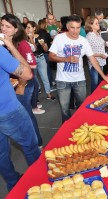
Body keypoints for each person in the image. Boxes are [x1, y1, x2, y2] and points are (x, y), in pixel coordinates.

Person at [49, 15, 108, 123]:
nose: (75, 31)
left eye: (78, 27)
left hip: (80, 80)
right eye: (72, 27)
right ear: (67, 27)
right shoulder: (59, 38)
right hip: (62, 80)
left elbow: (92, 59)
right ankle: (66, 129)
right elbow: (51, 56)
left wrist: (104, 76)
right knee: (64, 109)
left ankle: (80, 127)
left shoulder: (83, 41)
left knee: (82, 107)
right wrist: (66, 59)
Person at [0, 38, 40, 192]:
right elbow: (28, 73)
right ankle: (40, 182)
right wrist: (10, 46)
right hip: (7, 109)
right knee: (30, 146)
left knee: (1, 155)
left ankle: (14, 184)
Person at [1, 14, 43, 147]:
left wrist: (20, 85)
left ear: (16, 29)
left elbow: (31, 68)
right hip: (12, 87)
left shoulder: (22, 44)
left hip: (24, 85)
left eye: (8, 26)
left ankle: (38, 144)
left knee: (27, 115)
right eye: (2, 25)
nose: (4, 29)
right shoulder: (3, 44)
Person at [26, 21, 56, 101]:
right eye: (26, 27)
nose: (27, 29)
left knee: (45, 77)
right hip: (31, 60)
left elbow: (46, 50)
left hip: (41, 58)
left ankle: (48, 94)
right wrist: (30, 39)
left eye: (29, 27)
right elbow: (32, 49)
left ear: (34, 28)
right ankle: (37, 94)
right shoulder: (25, 39)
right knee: (34, 78)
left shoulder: (40, 37)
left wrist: (43, 45)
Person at [85, 16, 108, 93]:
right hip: (94, 62)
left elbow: (98, 45)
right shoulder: (89, 36)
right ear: (91, 25)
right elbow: (88, 52)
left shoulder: (97, 33)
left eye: (98, 23)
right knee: (95, 83)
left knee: (99, 82)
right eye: (96, 23)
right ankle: (93, 98)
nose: (98, 25)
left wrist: (105, 44)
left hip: (101, 61)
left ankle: (98, 96)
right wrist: (100, 55)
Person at [37, 19, 54, 90]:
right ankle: (50, 85)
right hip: (46, 53)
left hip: (39, 53)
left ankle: (49, 84)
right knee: (48, 70)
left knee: (43, 72)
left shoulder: (37, 33)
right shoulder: (46, 33)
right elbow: (50, 42)